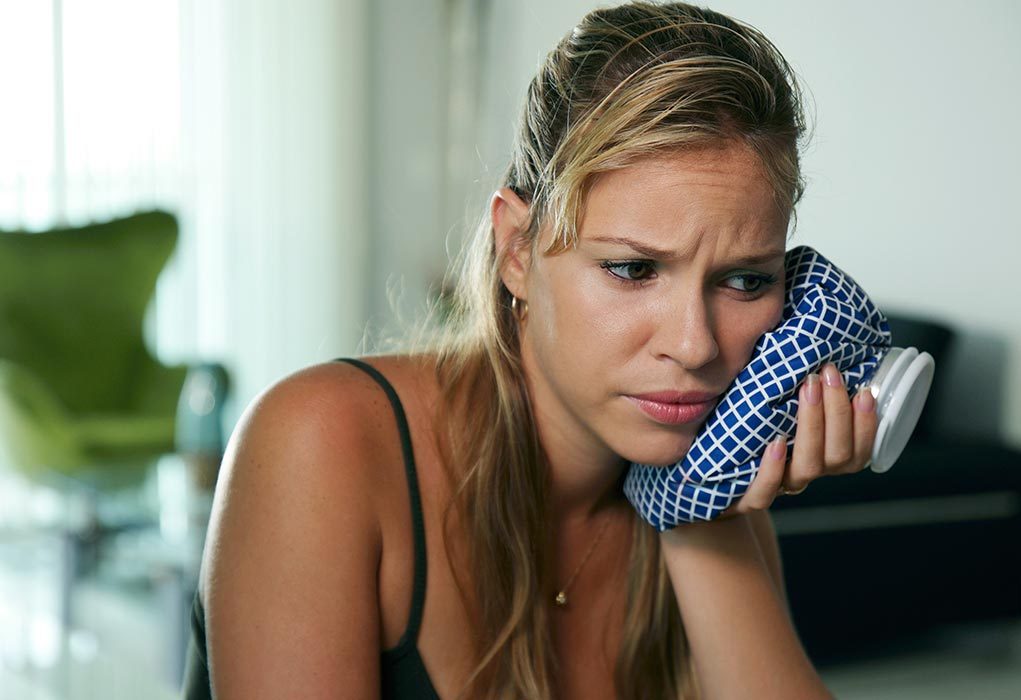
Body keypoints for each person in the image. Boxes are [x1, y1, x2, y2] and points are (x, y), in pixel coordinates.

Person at [182, 2, 879, 698]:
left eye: (746, 280)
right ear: (518, 250)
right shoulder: (319, 445)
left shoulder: (711, 489)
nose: (695, 345)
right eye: (634, 270)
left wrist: (703, 518)